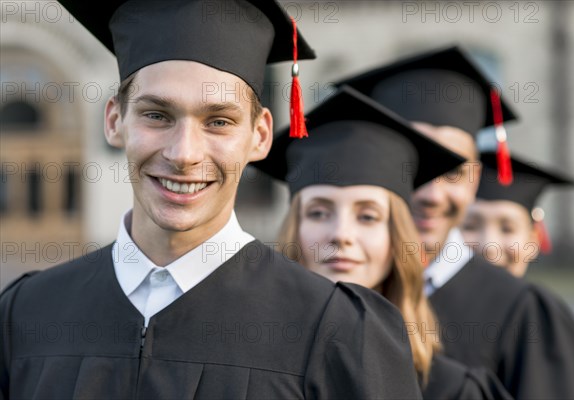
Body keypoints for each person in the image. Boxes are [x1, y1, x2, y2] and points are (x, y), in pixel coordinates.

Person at [0, 1, 423, 398]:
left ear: (258, 136)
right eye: (157, 115)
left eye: (218, 121)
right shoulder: (25, 314)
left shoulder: (336, 330)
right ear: (114, 121)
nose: (184, 153)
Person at [336, 45, 574, 398]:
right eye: (415, 166)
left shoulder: (525, 313)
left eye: (452, 172)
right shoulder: (331, 291)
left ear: (474, 180)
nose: (431, 194)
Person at [255, 85, 512, 399]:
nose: (341, 234)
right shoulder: (242, 373)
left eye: (368, 216)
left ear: (397, 238)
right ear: (293, 230)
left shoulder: (453, 392)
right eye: (319, 212)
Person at [462, 150, 574, 390]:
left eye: (507, 228)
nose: (489, 247)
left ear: (533, 239)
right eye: (471, 226)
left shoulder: (550, 327)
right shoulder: (421, 314)